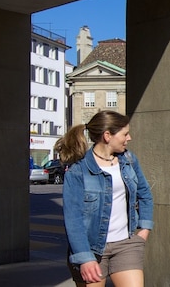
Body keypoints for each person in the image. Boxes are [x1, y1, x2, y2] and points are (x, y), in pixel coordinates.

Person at [54, 110, 153, 286]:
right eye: (125, 134)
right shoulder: (78, 170)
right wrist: (84, 258)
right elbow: (73, 218)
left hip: (126, 245)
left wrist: (143, 230)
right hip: (91, 249)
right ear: (107, 136)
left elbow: (144, 193)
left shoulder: (129, 160)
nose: (129, 138)